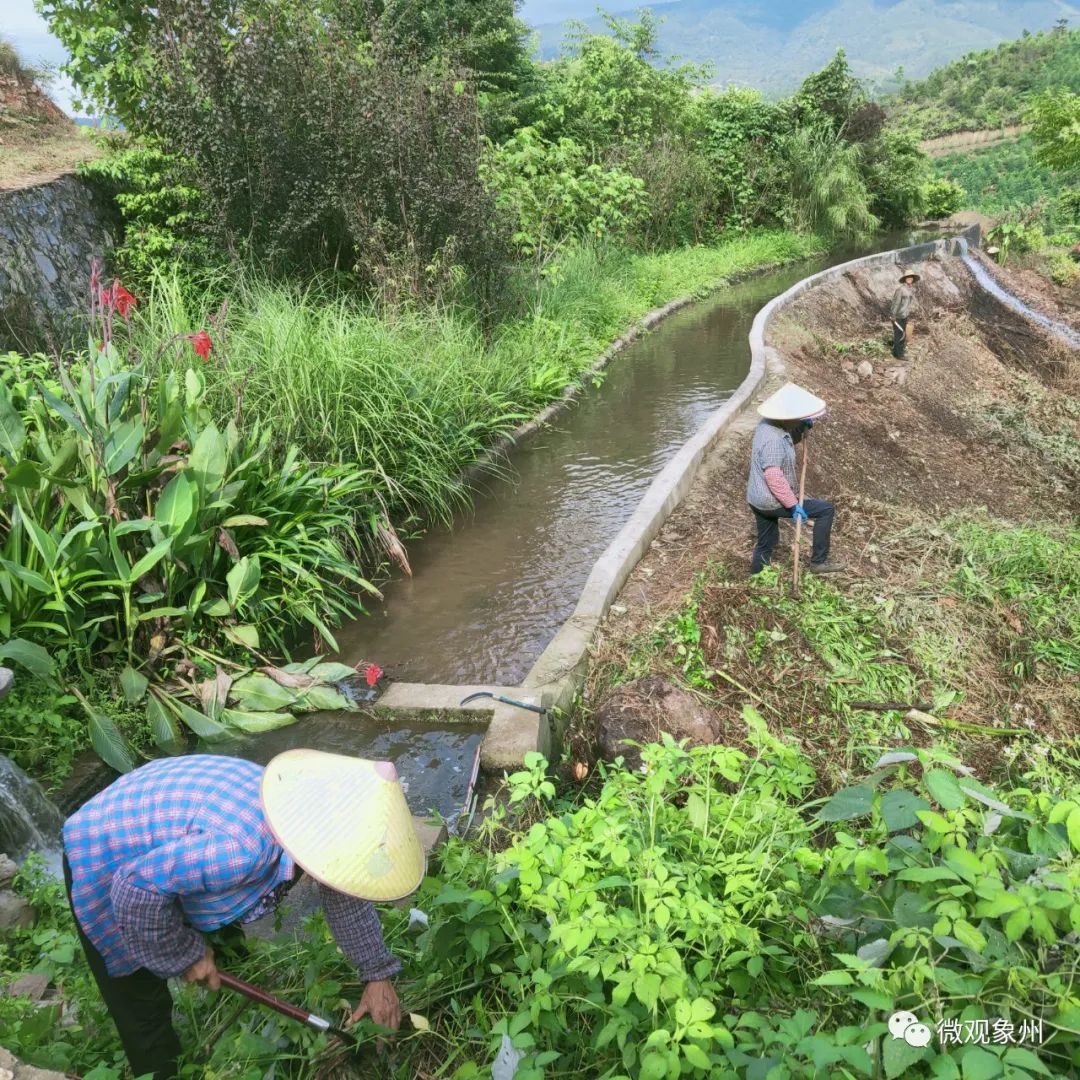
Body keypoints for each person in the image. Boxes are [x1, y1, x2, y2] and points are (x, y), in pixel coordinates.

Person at [62, 750, 425, 1079]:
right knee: (143, 1006)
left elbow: (344, 890)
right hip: (108, 852)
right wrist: (184, 956)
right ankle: (160, 1071)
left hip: (170, 841)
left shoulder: (302, 810)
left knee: (213, 942)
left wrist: (377, 975)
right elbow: (134, 888)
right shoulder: (243, 851)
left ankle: (211, 988)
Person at [746, 382, 845, 577]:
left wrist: (800, 430)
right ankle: (819, 561)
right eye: (798, 418)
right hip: (770, 500)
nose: (800, 420)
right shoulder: (773, 439)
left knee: (767, 542)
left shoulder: (768, 425)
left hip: (757, 498)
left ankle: (755, 577)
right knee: (825, 510)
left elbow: (786, 443)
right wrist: (792, 505)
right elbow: (773, 475)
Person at [890, 270, 919, 359]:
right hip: (898, 316)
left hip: (904, 315)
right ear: (905, 279)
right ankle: (899, 355)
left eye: (911, 277)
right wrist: (893, 315)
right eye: (908, 277)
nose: (909, 279)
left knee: (902, 334)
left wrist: (908, 314)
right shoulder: (900, 290)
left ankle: (897, 352)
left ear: (913, 279)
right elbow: (896, 303)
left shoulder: (910, 289)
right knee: (900, 335)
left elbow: (907, 305)